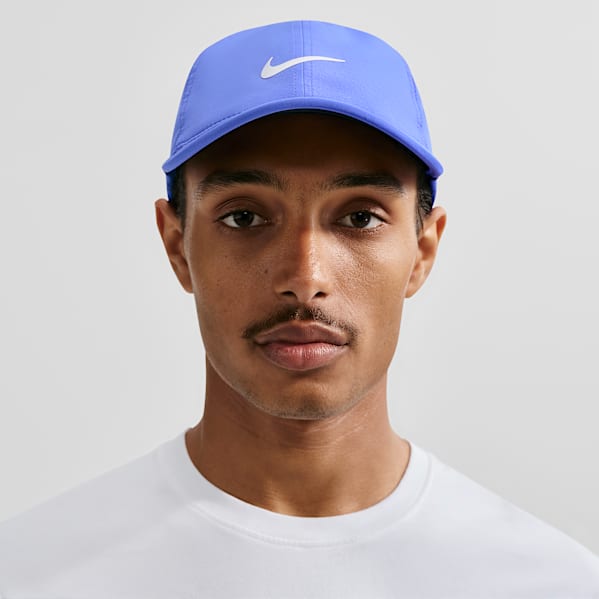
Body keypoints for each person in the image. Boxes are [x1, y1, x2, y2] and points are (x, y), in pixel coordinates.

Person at [0, 19, 597, 599]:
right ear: (177, 245)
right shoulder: (31, 574)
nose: (305, 279)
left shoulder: (551, 584)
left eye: (359, 217)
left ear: (422, 250)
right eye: (244, 217)